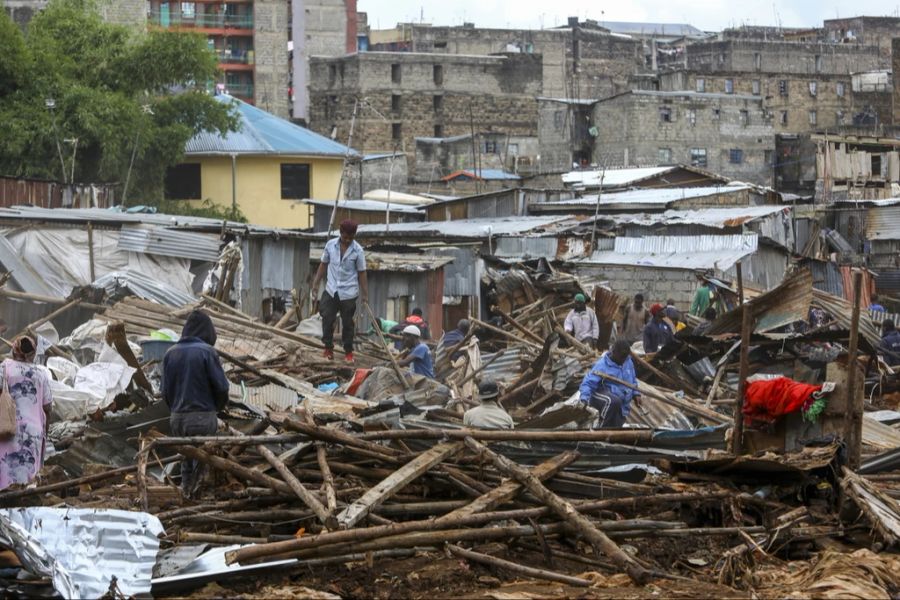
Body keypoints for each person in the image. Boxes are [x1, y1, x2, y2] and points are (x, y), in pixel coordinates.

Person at [162, 311, 230, 498]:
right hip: (203, 416)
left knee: (186, 459)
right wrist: (216, 408)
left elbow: (165, 393)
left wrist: (177, 409)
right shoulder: (207, 352)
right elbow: (222, 388)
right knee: (204, 461)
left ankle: (186, 495)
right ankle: (200, 500)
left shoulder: (170, 353)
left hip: (177, 419)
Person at [311, 219, 369, 363]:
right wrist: (316, 284)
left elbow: (362, 272)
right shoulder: (330, 245)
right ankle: (328, 348)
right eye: (345, 237)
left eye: (351, 238)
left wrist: (365, 294)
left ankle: (348, 352)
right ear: (340, 233)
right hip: (331, 290)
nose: (347, 240)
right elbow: (323, 264)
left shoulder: (358, 251)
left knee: (348, 323)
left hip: (349, 293)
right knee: (327, 318)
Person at [0, 336, 52, 490]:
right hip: (33, 433)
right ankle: (27, 507)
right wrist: (45, 434)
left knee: (6, 473)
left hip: (7, 430)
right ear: (33, 353)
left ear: (14, 350)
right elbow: (48, 408)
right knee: (29, 479)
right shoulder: (41, 374)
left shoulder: (4, 368)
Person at [578, 340, 641, 428]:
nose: (623, 360)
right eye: (621, 357)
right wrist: (584, 399)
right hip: (601, 396)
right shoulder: (602, 365)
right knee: (613, 401)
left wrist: (636, 393)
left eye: (625, 357)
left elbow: (632, 380)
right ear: (614, 352)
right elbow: (588, 383)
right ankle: (600, 430)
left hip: (622, 404)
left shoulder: (628, 361)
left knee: (616, 427)